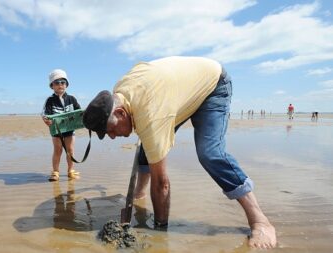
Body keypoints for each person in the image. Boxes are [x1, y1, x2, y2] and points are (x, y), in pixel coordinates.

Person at [82, 56, 277, 249]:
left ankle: (260, 221)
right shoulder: (120, 92)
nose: (113, 137)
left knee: (210, 153)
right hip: (174, 95)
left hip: (212, 86)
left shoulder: (151, 115)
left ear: (121, 113)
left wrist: (159, 231)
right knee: (148, 147)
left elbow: (162, 184)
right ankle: (139, 194)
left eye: (111, 130)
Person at [42, 69, 81, 181]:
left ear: (66, 85)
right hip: (56, 130)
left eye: (63, 82)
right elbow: (45, 114)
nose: (60, 85)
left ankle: (70, 170)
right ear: (52, 86)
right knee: (57, 150)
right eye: (57, 82)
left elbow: (79, 112)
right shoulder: (50, 100)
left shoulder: (71, 98)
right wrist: (46, 120)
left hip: (70, 129)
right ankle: (55, 171)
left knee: (70, 150)